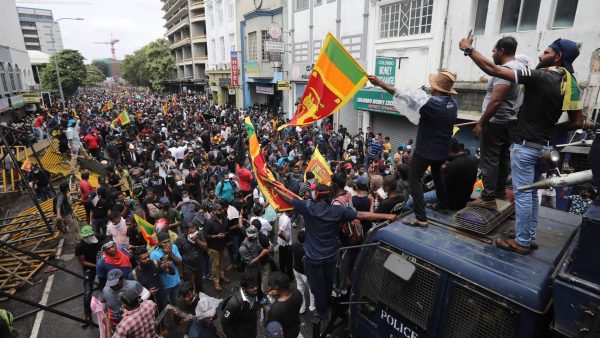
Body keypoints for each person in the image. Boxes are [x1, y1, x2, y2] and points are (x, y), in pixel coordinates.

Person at [459, 35, 588, 254]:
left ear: (558, 57)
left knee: (523, 193)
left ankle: (522, 242)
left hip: (527, 145)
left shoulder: (540, 76)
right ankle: (527, 236)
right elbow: (577, 122)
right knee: (532, 193)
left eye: (546, 52)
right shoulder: (570, 82)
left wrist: (469, 49)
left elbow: (495, 70)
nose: (540, 55)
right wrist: (550, 130)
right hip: (545, 147)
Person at [268, 182, 396, 326]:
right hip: (330, 257)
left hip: (313, 259)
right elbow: (362, 215)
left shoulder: (308, 207)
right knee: (328, 283)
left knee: (317, 288)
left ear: (316, 196)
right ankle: (327, 304)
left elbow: (289, 199)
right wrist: (388, 216)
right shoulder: (337, 211)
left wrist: (274, 188)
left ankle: (322, 312)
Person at [368, 71, 458, 227]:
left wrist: (380, 83)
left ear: (436, 89)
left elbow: (402, 95)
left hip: (426, 150)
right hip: (442, 150)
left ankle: (421, 218)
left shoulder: (431, 104)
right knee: (437, 175)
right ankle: (443, 205)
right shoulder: (453, 103)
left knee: (415, 179)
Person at [469, 37, 524, 209]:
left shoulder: (505, 70)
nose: (492, 54)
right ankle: (499, 191)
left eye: (493, 51)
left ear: (501, 51)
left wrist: (481, 123)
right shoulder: (519, 66)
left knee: (489, 160)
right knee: (502, 157)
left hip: (496, 122)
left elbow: (496, 101)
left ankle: (488, 197)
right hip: (509, 121)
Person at [75, 225, 103, 325]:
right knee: (87, 293)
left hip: (102, 266)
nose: (89, 237)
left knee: (106, 287)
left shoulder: (99, 237)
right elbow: (83, 262)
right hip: (90, 268)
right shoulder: (80, 247)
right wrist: (97, 266)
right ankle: (87, 314)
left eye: (91, 235)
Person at [220, 273, 260, 338]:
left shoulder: (253, 293)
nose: (255, 289)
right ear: (244, 289)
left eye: (256, 285)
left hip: (251, 331)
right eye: (251, 287)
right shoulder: (234, 303)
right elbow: (224, 322)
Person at [150, 231, 183, 306]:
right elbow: (155, 272)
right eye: (164, 242)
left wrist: (170, 253)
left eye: (169, 241)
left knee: (175, 301)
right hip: (165, 285)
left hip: (176, 281)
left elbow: (179, 261)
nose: (167, 244)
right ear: (159, 243)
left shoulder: (174, 247)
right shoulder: (154, 254)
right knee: (165, 305)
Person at [265, 274, 303, 338]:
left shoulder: (275, 309)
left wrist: (266, 309)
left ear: (277, 287)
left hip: (284, 335)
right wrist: (279, 292)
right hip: (295, 328)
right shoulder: (297, 293)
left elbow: (269, 326)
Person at [203, 203, 229, 291]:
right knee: (215, 264)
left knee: (221, 262)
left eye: (221, 209)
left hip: (222, 245)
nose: (221, 211)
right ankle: (216, 281)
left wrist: (225, 234)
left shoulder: (225, 219)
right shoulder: (209, 222)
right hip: (213, 247)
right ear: (214, 212)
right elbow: (206, 236)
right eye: (218, 209)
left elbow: (227, 230)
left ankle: (222, 276)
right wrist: (216, 236)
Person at [175, 223, 208, 292]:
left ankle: (200, 296)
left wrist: (197, 240)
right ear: (186, 232)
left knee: (199, 283)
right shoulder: (180, 240)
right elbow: (178, 255)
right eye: (191, 232)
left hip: (199, 263)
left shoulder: (199, 235)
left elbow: (205, 247)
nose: (193, 234)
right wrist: (180, 272)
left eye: (194, 232)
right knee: (189, 285)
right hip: (187, 266)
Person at [239, 224, 272, 291]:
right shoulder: (243, 248)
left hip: (257, 266)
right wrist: (261, 255)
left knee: (258, 282)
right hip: (250, 270)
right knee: (251, 286)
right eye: (253, 237)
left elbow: (259, 247)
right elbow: (249, 262)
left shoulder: (255, 239)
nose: (255, 238)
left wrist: (266, 249)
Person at [291, 229, 315, 314]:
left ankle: (302, 308)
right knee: (311, 289)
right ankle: (312, 306)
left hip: (296, 270)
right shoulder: (308, 249)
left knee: (300, 289)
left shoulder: (294, 245)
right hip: (306, 273)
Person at [276, 210, 293, 282]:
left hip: (281, 243)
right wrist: (286, 239)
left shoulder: (282, 216)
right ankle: (290, 277)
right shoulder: (287, 219)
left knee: (282, 259)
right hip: (286, 244)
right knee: (289, 262)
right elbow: (279, 232)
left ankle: (283, 274)